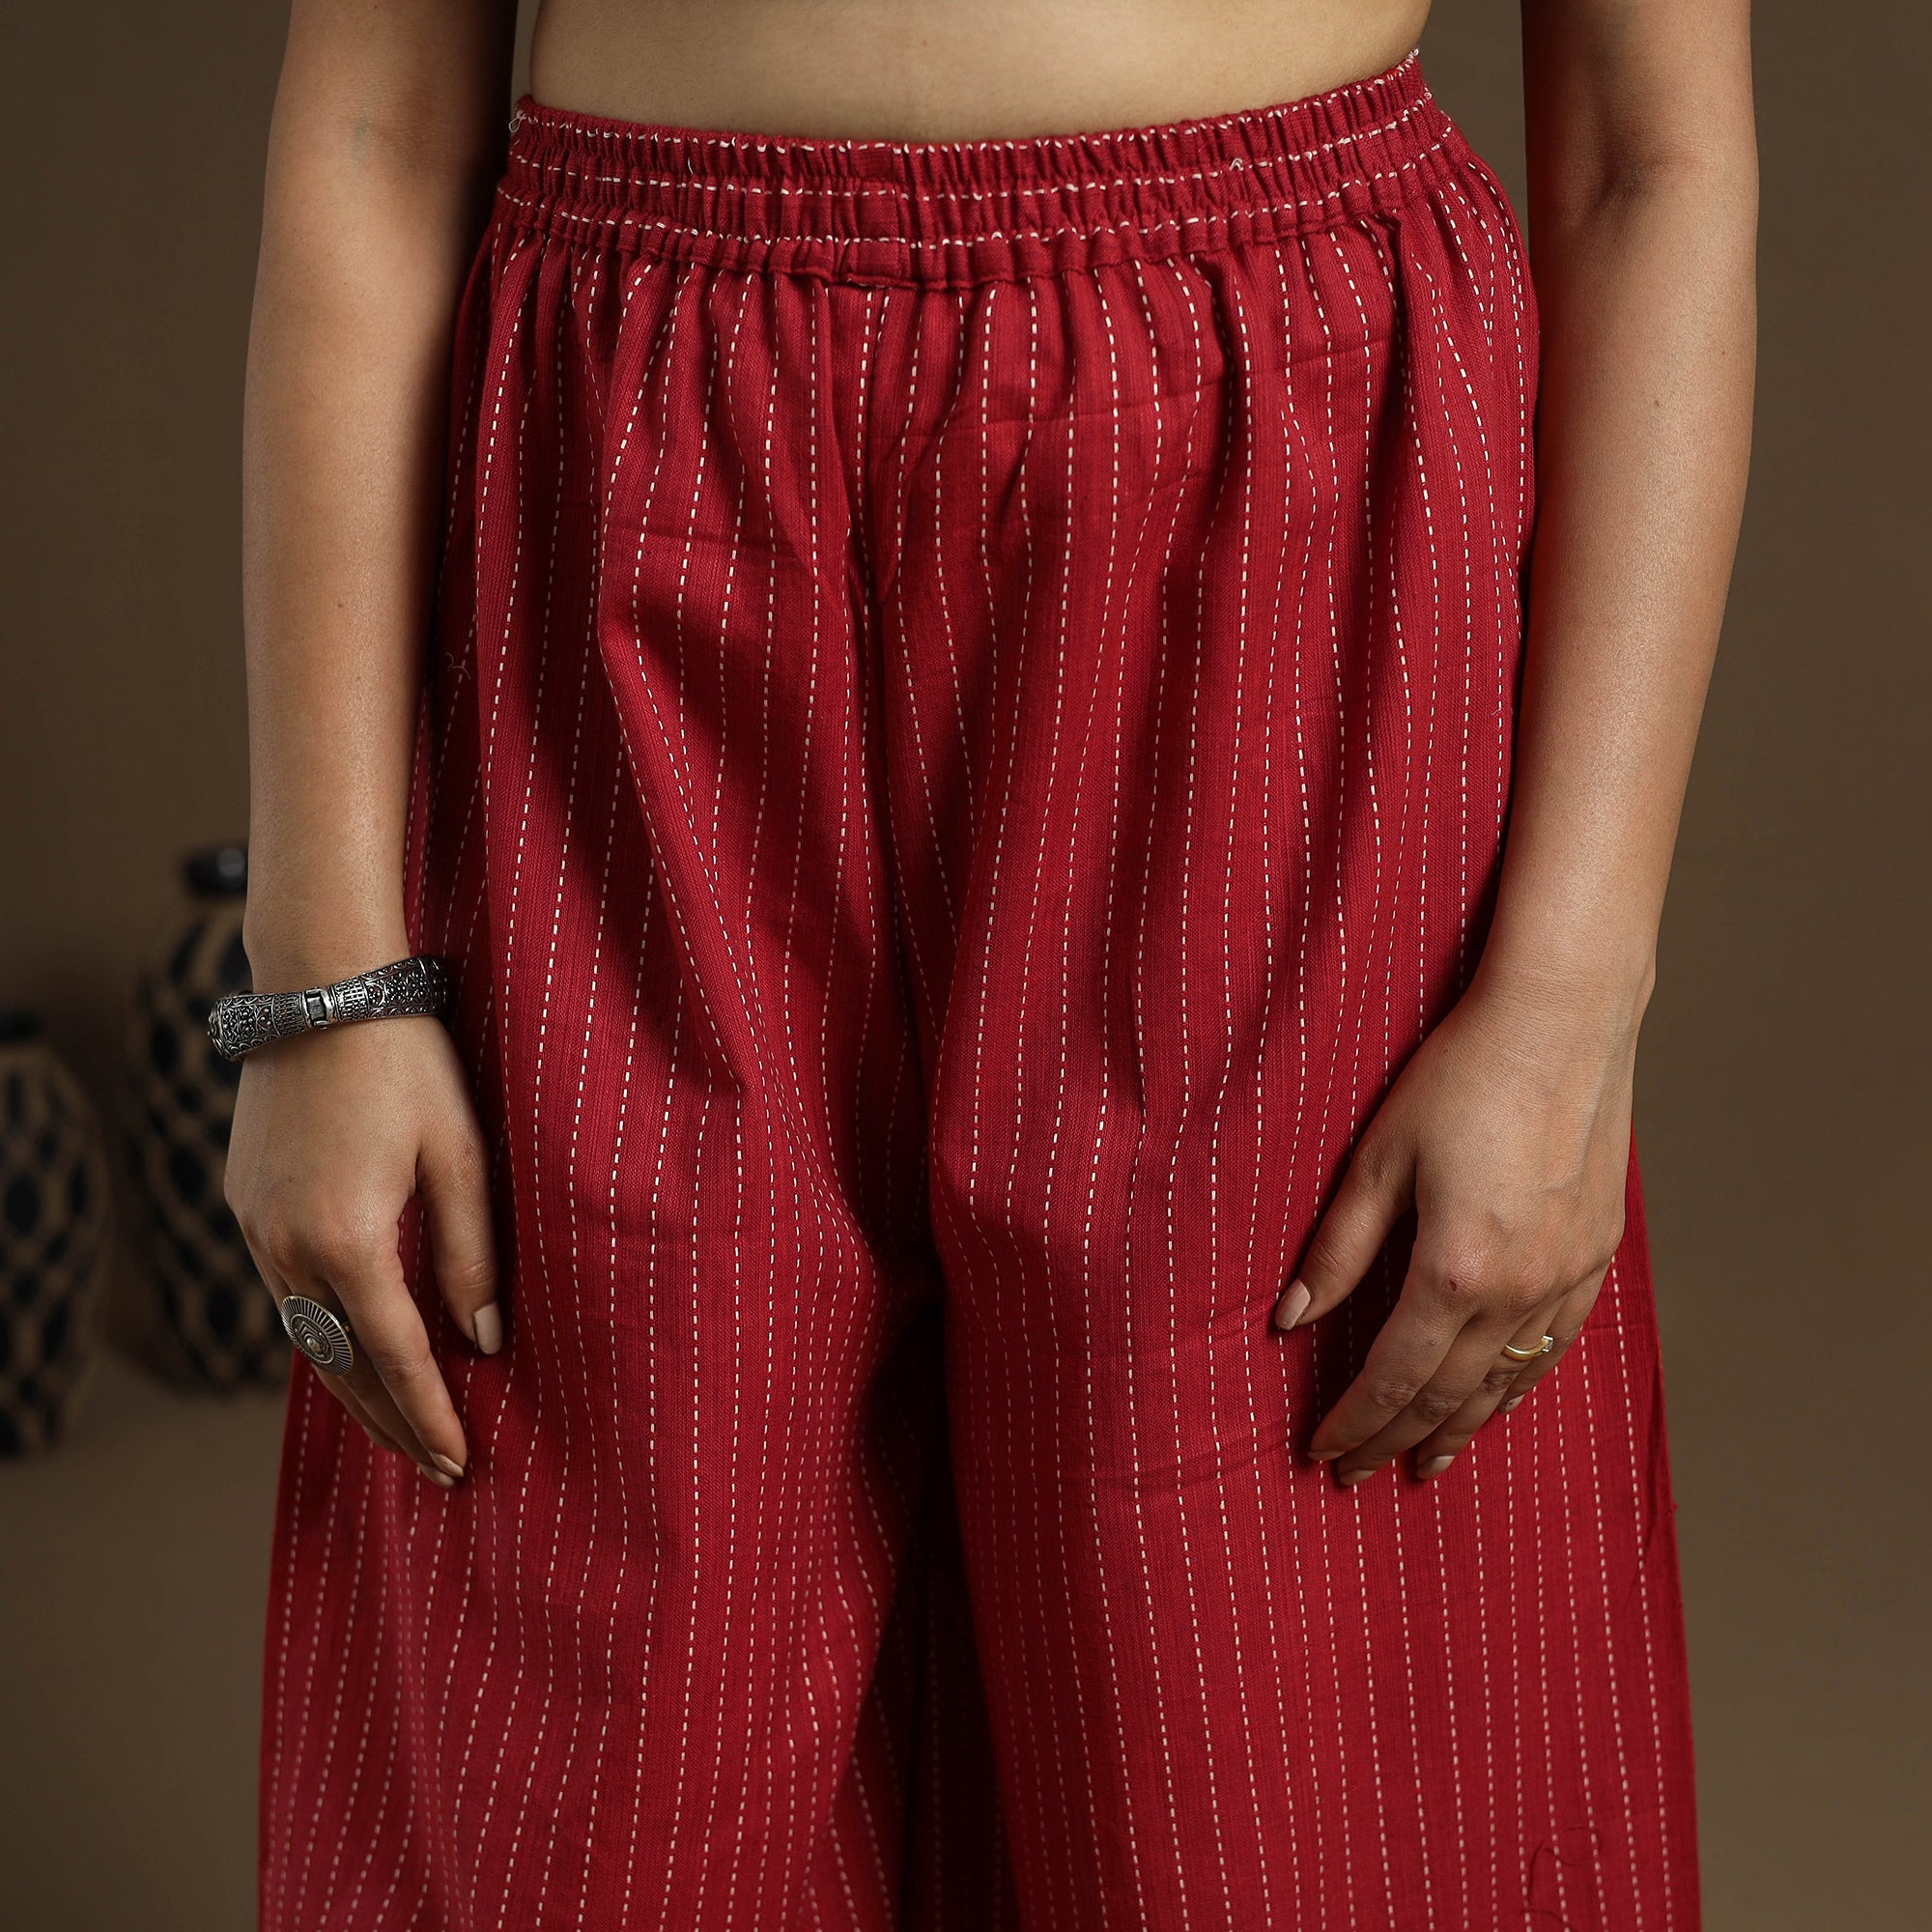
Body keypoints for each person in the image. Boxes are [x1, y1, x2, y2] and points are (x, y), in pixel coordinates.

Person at [226, 0, 1755, 1924]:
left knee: (1277, 1776)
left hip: (1273, 531)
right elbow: (373, 127)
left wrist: (1569, 993)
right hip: (632, 549)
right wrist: (323, 980)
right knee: (594, 1758)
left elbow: (1647, 152)